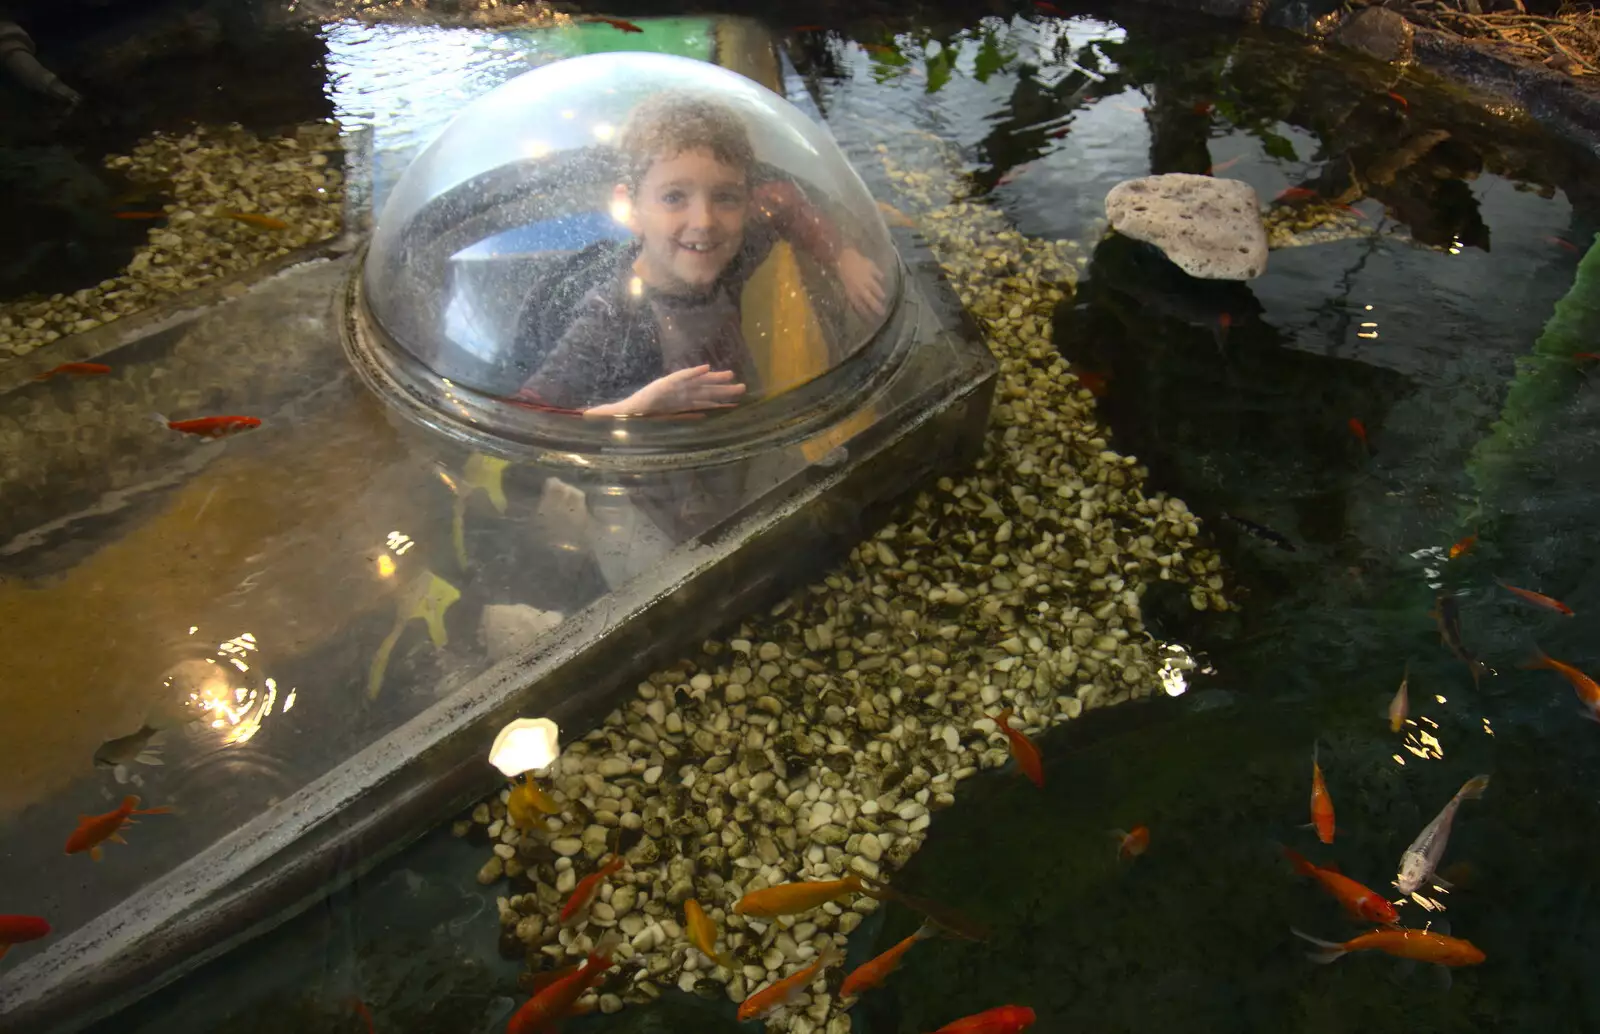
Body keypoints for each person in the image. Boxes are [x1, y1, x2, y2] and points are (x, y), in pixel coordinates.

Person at [513, 91, 887, 417]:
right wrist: (635, 410)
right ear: (629, 208)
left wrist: (843, 258)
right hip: (653, 474)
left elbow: (785, 203)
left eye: (725, 197)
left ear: (746, 201)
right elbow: (532, 415)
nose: (704, 221)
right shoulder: (612, 319)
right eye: (674, 197)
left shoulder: (731, 255)